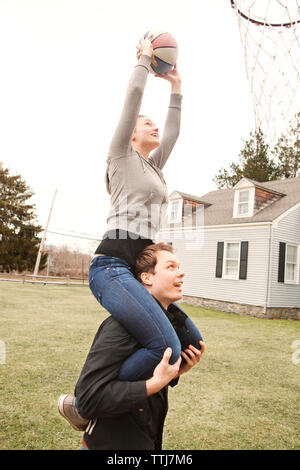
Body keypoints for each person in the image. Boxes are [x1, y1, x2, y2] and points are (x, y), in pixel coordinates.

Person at [87, 34, 203, 382]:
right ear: (131, 133)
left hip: (140, 268)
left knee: (190, 342)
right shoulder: (121, 156)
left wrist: (176, 86)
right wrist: (144, 59)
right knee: (164, 343)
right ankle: (91, 398)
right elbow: (133, 97)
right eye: (146, 122)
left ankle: (139, 398)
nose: (154, 125)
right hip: (111, 266)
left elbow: (174, 133)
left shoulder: (155, 167)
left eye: (155, 122)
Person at [58, 243, 205, 450]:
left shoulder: (167, 327)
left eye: (178, 267)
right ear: (147, 278)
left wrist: (176, 371)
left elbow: (143, 376)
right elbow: (89, 398)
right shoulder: (120, 327)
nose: (181, 273)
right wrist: (154, 384)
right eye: (170, 267)